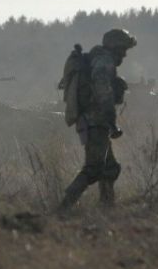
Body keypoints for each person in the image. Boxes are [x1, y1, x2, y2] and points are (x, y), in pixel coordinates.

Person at [59, 28, 137, 211]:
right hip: (96, 121)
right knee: (94, 168)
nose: (124, 55)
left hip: (94, 120)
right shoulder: (104, 61)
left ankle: (107, 208)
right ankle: (63, 207)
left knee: (110, 168)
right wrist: (111, 118)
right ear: (115, 47)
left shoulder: (98, 58)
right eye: (123, 49)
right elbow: (102, 89)